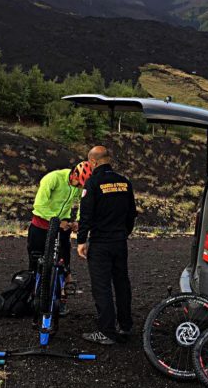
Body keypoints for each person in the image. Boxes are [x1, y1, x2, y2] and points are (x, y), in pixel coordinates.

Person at [77, 146, 136, 345]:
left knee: (101, 287)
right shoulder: (125, 182)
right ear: (108, 159)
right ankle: (126, 325)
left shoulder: (92, 183)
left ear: (93, 162)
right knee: (121, 284)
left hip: (100, 243)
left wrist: (81, 240)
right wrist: (124, 233)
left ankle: (107, 331)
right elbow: (131, 214)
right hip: (120, 242)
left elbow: (86, 215)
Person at [26, 161, 92, 314]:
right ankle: (33, 296)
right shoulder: (53, 178)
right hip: (41, 224)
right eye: (78, 183)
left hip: (63, 226)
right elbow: (39, 205)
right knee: (35, 263)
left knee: (63, 264)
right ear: (74, 174)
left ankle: (61, 299)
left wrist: (78, 221)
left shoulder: (79, 186)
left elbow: (84, 202)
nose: (78, 187)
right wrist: (56, 221)